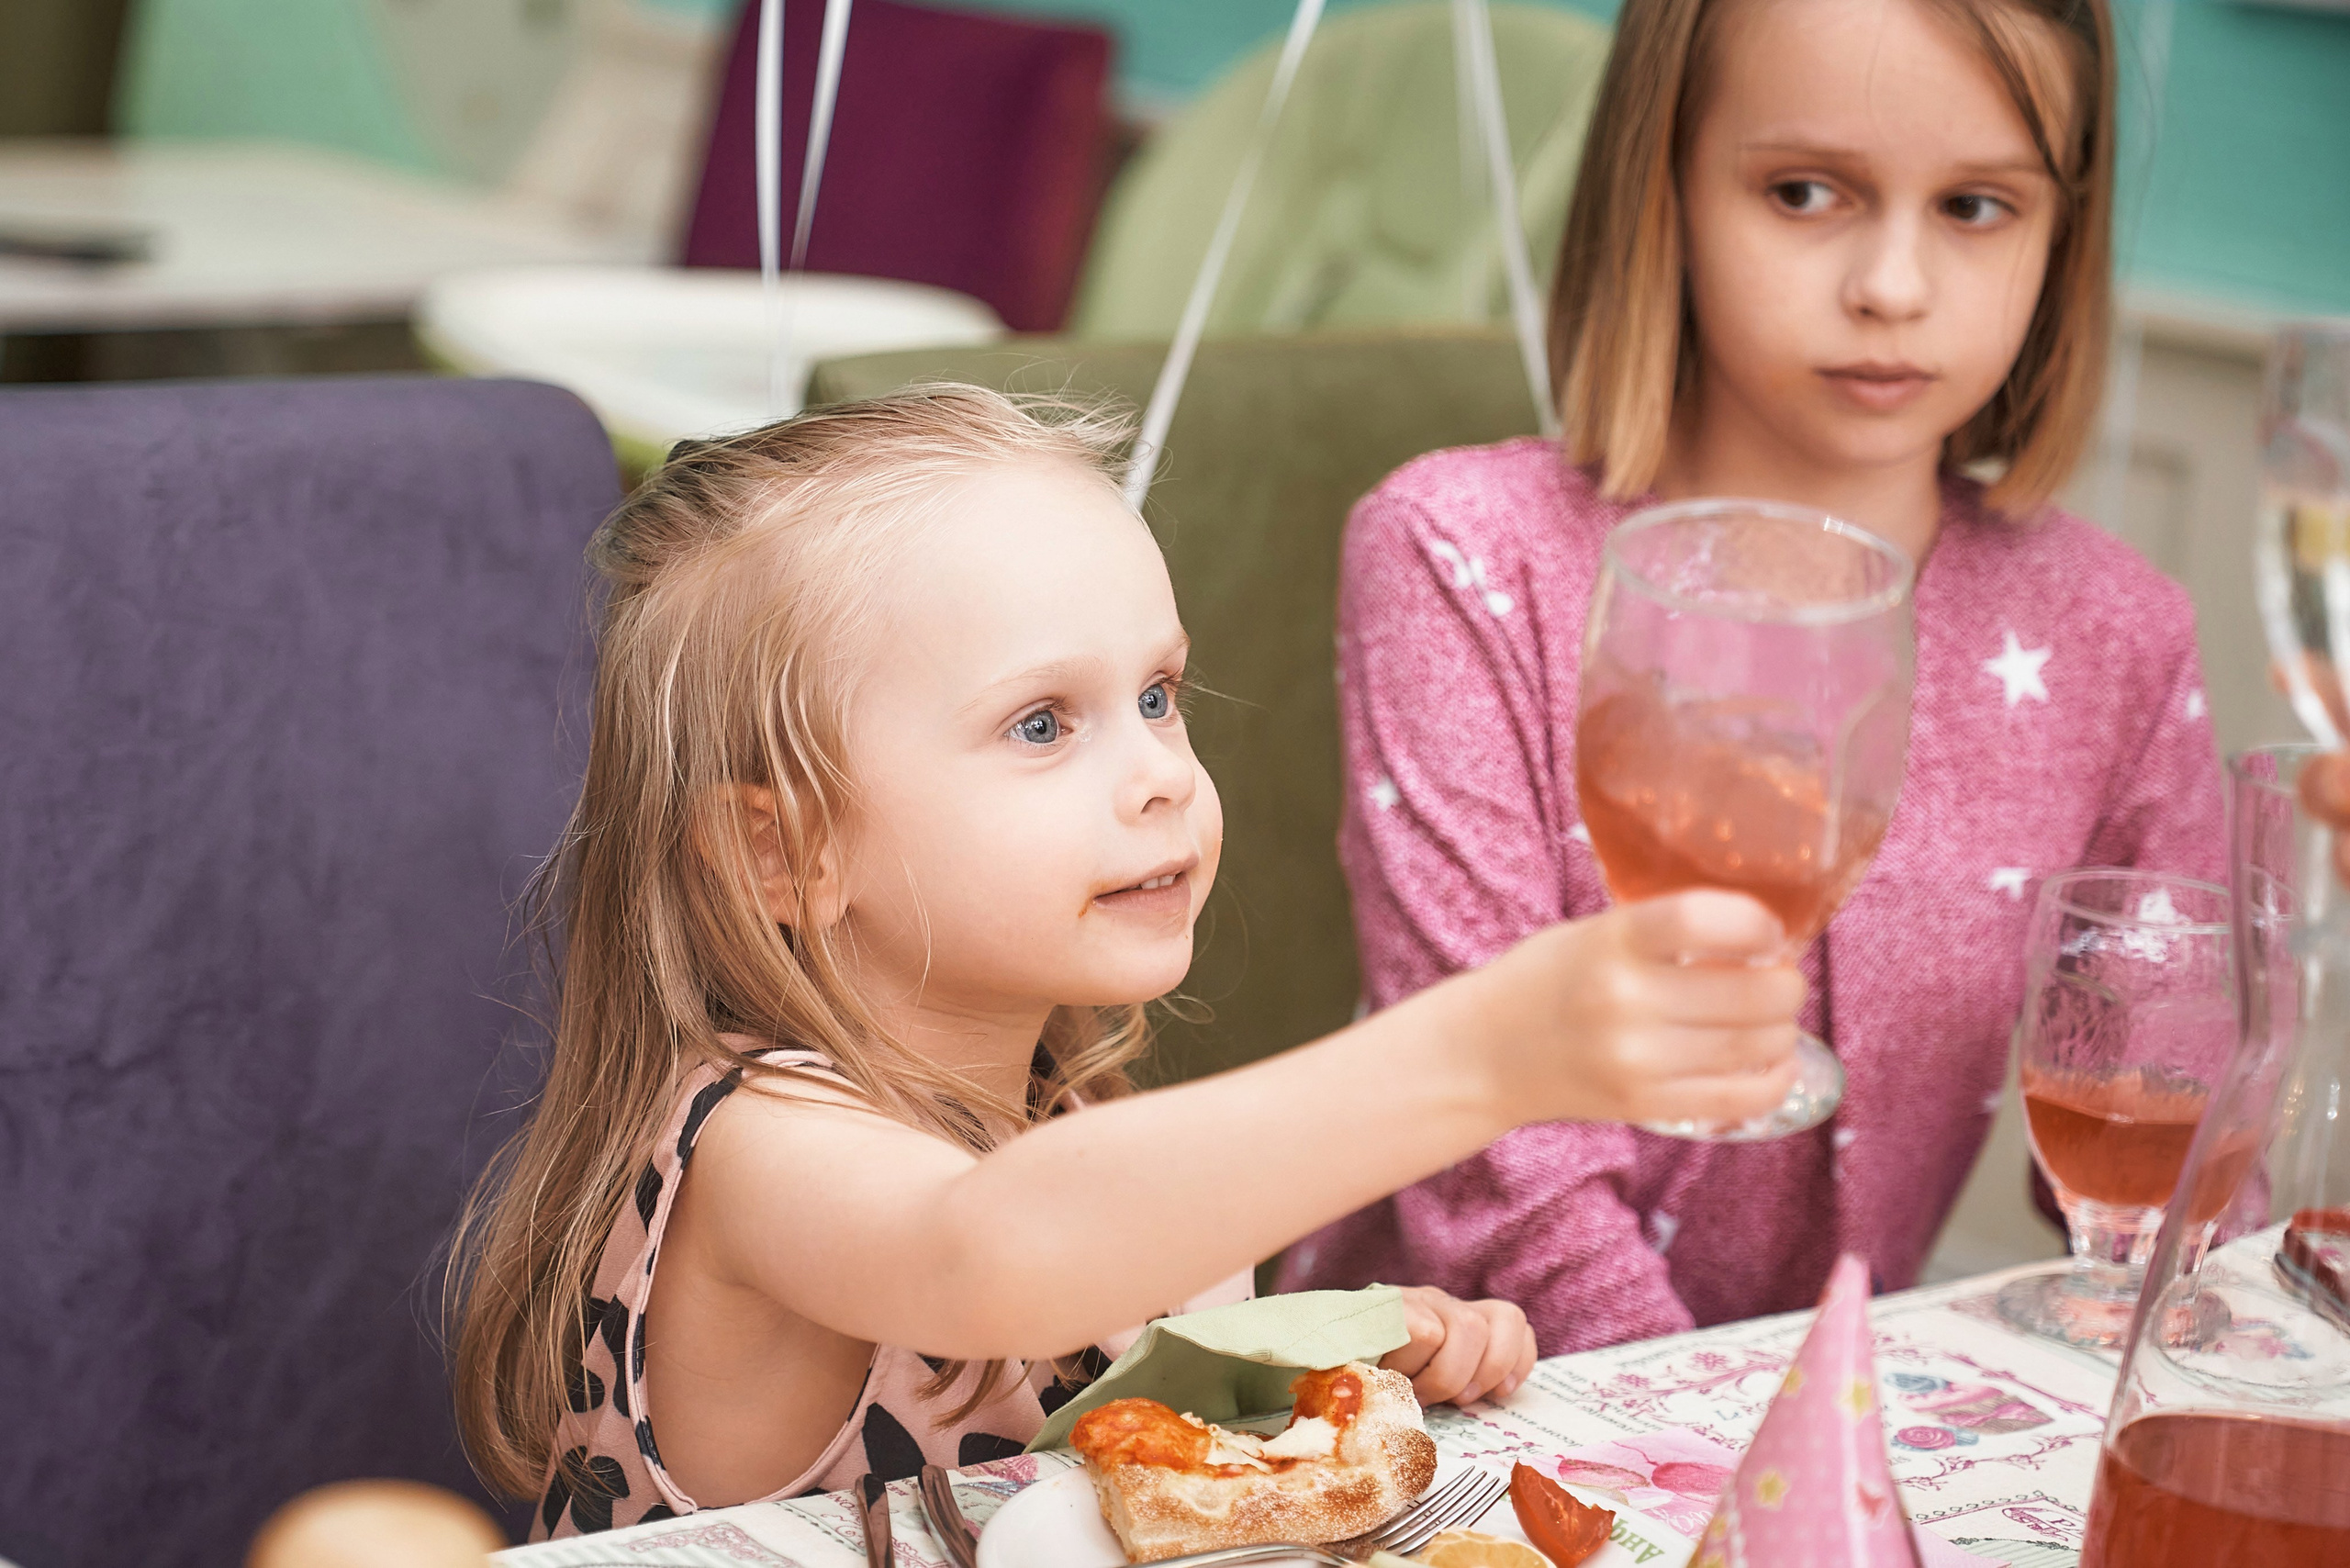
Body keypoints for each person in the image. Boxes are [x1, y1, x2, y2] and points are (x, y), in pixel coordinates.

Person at [449, 386, 1809, 1538]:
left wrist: (1331, 1353)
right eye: (1044, 724)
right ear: (785, 854)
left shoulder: (1070, 1123)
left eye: (1158, 695)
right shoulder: (755, 1146)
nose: (1162, 773)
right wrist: (1486, 1054)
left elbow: (1095, 1433)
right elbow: (990, 1253)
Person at [1279, 0, 2224, 1349]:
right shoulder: (1464, 555)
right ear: (1659, 185)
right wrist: (1736, 1471)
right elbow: (1500, 1166)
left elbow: (2154, 1188)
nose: (1892, 285)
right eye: (1803, 191)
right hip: (1432, 1412)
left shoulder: (2120, 635)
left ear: (2060, 233)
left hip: (1810, 1434)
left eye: (1976, 206)